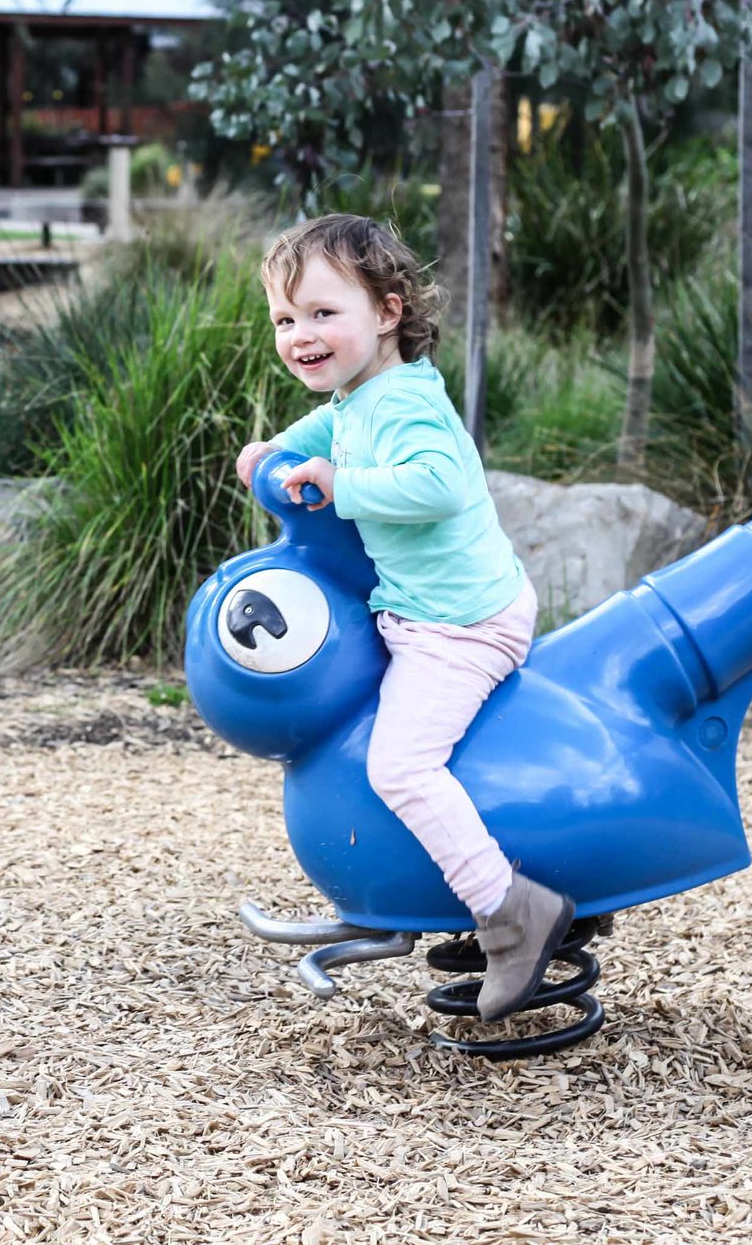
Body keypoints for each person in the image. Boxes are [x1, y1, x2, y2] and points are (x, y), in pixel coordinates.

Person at [231, 214, 565, 1024]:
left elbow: (440, 484)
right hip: (426, 610)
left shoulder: (409, 402)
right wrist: (271, 448)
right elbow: (331, 425)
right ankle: (416, 885)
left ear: (386, 311)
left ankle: (512, 911)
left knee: (401, 766)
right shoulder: (362, 392)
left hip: (462, 623)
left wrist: (341, 484)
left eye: (321, 313)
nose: (299, 334)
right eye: (285, 318)